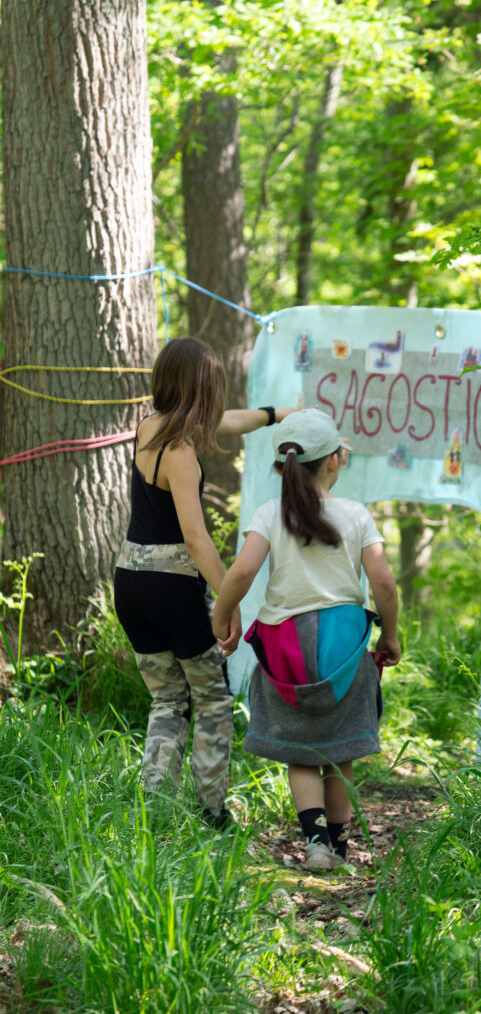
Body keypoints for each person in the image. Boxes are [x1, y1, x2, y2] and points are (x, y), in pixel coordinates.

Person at [114, 336, 293, 829]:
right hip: (172, 587)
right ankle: (211, 810)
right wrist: (228, 603)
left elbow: (230, 421)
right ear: (203, 389)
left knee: (167, 698)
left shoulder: (147, 427)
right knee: (212, 696)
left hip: (130, 582)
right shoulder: (183, 453)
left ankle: (155, 807)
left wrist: (276, 413)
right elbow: (195, 538)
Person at [211, 409, 401, 870]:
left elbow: (241, 573)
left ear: (282, 467)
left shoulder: (269, 514)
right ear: (335, 460)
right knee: (341, 752)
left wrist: (221, 619)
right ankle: (338, 847)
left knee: (301, 752)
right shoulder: (355, 515)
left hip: (286, 652)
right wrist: (391, 637)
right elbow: (384, 583)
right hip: (346, 647)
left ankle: (315, 842)